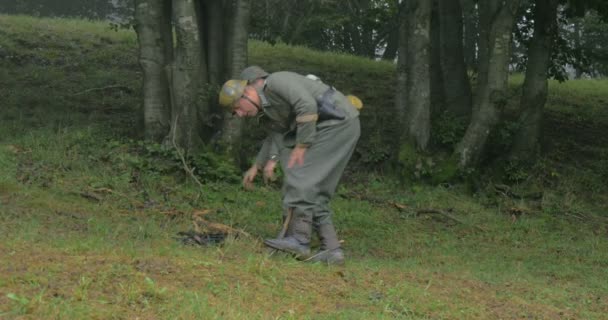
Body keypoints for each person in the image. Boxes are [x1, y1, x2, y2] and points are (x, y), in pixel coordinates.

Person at [219, 66, 360, 265]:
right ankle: (331, 250)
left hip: (337, 124)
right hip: (330, 128)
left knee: (300, 178)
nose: (240, 114)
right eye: (235, 113)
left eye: (238, 108)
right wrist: (258, 165)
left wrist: (302, 144)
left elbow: (307, 105)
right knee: (312, 189)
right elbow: (276, 138)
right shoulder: (267, 109)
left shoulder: (277, 81)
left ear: (248, 92)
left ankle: (300, 239)